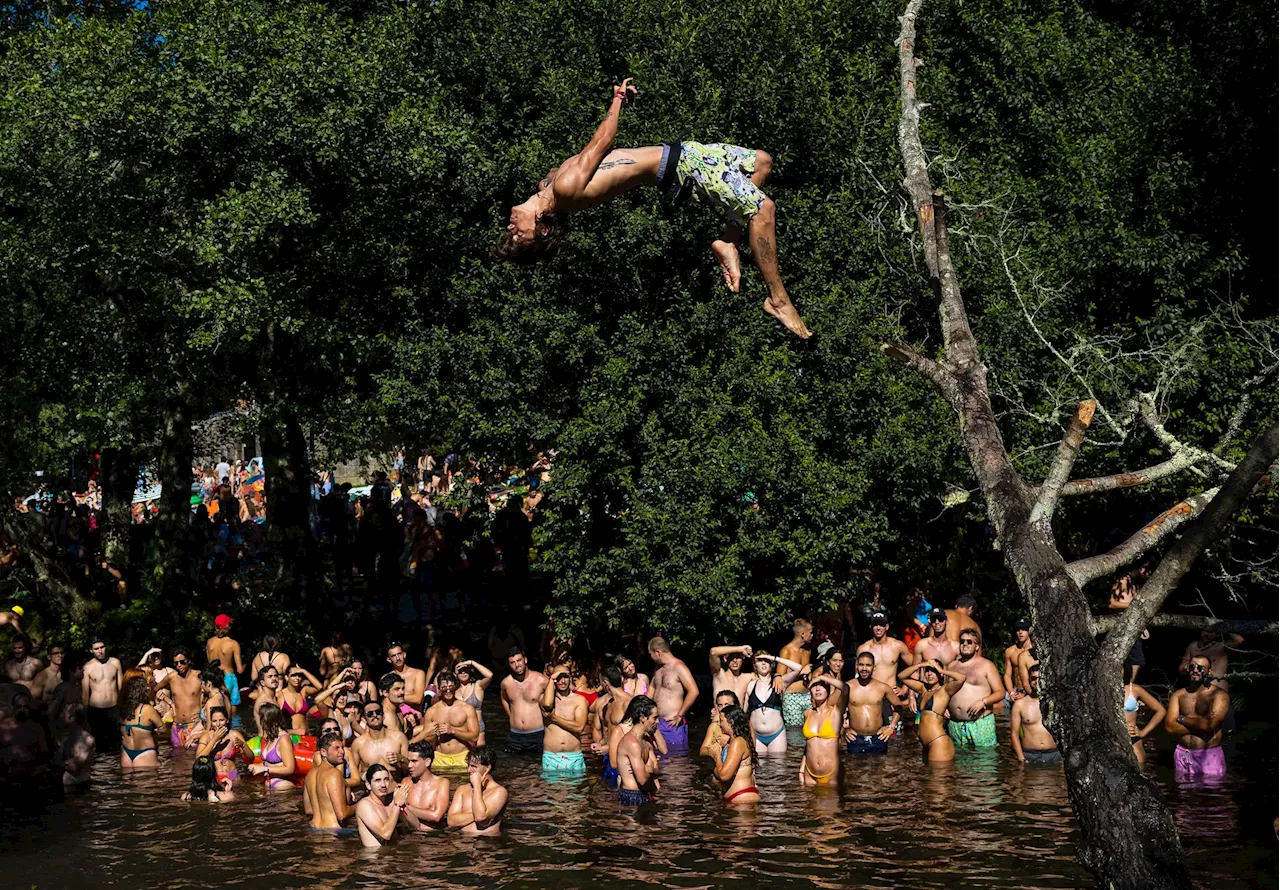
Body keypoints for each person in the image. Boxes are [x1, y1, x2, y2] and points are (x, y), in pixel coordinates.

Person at [497, 78, 812, 340]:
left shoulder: (550, 184)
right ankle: (778, 299)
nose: (511, 229)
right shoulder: (564, 190)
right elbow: (601, 141)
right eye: (518, 237)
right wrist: (618, 98)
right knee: (763, 209)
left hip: (685, 154)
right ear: (543, 228)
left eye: (510, 234)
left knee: (761, 162)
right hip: (685, 168)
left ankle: (729, 240)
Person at [1165, 655, 1230, 779]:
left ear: (1209, 672)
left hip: (1209, 755)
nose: (1195, 670)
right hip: (1182, 755)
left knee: (1210, 795)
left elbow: (1211, 725)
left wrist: (1181, 718)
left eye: (1200, 668)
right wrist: (1202, 725)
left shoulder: (1219, 696)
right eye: (1192, 666)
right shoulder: (1178, 695)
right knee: (1183, 796)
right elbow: (1169, 727)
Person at [946, 629, 1005, 749]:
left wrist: (983, 701)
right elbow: (945, 691)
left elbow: (1001, 693)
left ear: (977, 647)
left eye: (969, 642)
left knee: (984, 761)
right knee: (958, 763)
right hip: (955, 724)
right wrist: (943, 707)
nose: (965, 644)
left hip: (980, 723)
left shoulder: (986, 665)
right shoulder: (951, 666)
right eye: (962, 641)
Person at [898, 659, 963, 762]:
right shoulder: (923, 689)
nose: (929, 674)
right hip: (925, 744)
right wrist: (920, 665)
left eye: (933, 671)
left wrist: (941, 670)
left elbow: (961, 678)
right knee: (927, 776)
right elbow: (901, 676)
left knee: (938, 776)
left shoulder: (944, 690)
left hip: (938, 742)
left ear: (940, 674)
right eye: (927, 671)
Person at [1180, 629, 1244, 733]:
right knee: (1197, 731)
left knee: (1227, 733)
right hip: (1198, 697)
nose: (1207, 634)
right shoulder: (1193, 646)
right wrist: (1188, 667)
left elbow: (1240, 640)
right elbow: (1181, 668)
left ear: (1218, 633)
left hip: (1220, 697)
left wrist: (1223, 627)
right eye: (1205, 630)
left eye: (1211, 631)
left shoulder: (1222, 646)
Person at [745, 651, 803, 755]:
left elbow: (798, 668)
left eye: (766, 661)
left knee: (777, 768)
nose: (763, 663)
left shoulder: (780, 682)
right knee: (759, 769)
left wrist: (775, 658)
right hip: (756, 735)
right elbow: (744, 712)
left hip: (777, 734)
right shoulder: (750, 685)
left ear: (771, 664)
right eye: (760, 660)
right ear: (755, 665)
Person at [648, 637, 698, 754]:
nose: (651, 658)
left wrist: (680, 714)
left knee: (675, 761)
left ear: (658, 652)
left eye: (651, 654)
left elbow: (694, 691)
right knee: (659, 759)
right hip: (656, 723)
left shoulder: (679, 667)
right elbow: (651, 690)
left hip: (672, 723)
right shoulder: (658, 669)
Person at [844, 652, 902, 755]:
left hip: (878, 737)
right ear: (856, 666)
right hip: (855, 739)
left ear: (874, 667)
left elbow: (899, 706)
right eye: (861, 665)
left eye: (868, 665)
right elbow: (835, 710)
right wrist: (843, 729)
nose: (864, 668)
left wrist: (891, 727)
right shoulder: (848, 687)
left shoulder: (882, 687)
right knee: (854, 769)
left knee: (880, 769)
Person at [422, 670, 480, 770]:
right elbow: (426, 740)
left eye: (451, 687)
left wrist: (453, 730)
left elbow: (474, 737)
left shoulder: (467, 708)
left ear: (456, 687)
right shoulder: (431, 711)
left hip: (462, 757)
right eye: (444, 688)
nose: (448, 690)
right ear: (439, 688)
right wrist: (433, 733)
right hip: (439, 758)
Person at [539, 663, 588, 775]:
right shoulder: (543, 698)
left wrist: (554, 718)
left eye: (565, 677)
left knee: (574, 792)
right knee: (553, 792)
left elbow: (579, 727)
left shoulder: (580, 700)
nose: (562, 681)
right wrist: (551, 679)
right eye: (558, 677)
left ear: (570, 678)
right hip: (551, 756)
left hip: (574, 756)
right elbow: (547, 705)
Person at [448, 746, 508, 835]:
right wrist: (476, 814)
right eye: (468, 765)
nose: (469, 770)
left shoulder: (500, 792)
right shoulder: (462, 789)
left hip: (486, 843)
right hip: (462, 842)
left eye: (473, 766)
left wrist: (477, 786)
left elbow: (480, 817)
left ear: (488, 768)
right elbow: (451, 821)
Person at [303, 730, 355, 834]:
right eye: (336, 748)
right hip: (334, 832)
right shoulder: (334, 774)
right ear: (323, 752)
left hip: (314, 830)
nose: (342, 752)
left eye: (342, 748)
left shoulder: (310, 774)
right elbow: (341, 814)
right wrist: (360, 805)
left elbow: (308, 810)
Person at [500, 646, 549, 755]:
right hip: (515, 735)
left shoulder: (540, 680)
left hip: (537, 734)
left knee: (536, 768)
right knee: (514, 769)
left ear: (525, 660)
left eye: (519, 660)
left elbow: (554, 698)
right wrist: (511, 717)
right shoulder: (506, 683)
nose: (517, 665)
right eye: (512, 662)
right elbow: (504, 699)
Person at [706, 705, 759, 805]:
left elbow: (724, 775)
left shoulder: (738, 742)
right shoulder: (734, 741)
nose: (719, 724)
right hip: (738, 799)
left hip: (742, 799)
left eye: (721, 720)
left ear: (731, 722)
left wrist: (716, 756)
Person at [356, 763, 418, 847]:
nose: (383, 785)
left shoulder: (391, 802)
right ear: (368, 785)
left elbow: (415, 825)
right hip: (375, 857)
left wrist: (402, 804)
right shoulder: (365, 805)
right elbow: (385, 834)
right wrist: (396, 805)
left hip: (393, 854)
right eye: (377, 780)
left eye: (386, 779)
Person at [616, 695, 661, 805]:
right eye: (654, 718)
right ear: (642, 718)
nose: (658, 721)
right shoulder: (632, 743)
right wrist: (650, 770)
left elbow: (656, 771)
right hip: (632, 796)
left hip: (646, 795)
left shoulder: (646, 741)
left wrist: (649, 769)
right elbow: (642, 780)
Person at [1010, 663, 1059, 765]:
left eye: (1040, 678)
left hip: (1055, 754)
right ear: (1029, 680)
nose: (1037, 681)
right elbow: (1014, 734)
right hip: (1030, 754)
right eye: (1033, 678)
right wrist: (1021, 758)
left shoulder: (1057, 702)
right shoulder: (1020, 705)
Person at [350, 696, 411, 778]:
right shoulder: (358, 743)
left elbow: (411, 768)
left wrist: (402, 759)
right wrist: (369, 776)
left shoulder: (399, 737)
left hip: (396, 787)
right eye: (370, 714)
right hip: (371, 789)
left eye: (378, 712)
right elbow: (354, 776)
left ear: (383, 716)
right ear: (364, 719)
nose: (375, 715)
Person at [799, 675, 844, 786]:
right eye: (814, 686)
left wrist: (823, 678)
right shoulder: (807, 713)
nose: (818, 689)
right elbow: (808, 745)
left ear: (828, 691)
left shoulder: (835, 713)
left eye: (822, 686)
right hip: (809, 773)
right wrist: (801, 769)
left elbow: (846, 688)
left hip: (831, 773)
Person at [81, 638, 122, 754]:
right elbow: (85, 693)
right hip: (96, 710)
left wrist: (123, 708)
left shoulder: (115, 663)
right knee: (99, 747)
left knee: (116, 745)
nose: (100, 651)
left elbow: (122, 688)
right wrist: (84, 716)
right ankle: (101, 770)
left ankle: (115, 770)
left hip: (114, 708)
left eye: (102, 647)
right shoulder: (88, 667)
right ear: (91, 650)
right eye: (96, 649)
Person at [156, 647, 202, 748]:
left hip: (194, 724)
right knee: (177, 758)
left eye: (182, 662)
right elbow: (154, 689)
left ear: (189, 661)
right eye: (176, 663)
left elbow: (213, 694)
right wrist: (168, 701)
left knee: (193, 757)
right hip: (176, 725)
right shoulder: (171, 677)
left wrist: (203, 715)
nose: (179, 665)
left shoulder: (199, 676)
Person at [192, 706, 251, 784]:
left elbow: (251, 757)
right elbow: (198, 760)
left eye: (221, 720)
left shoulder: (234, 735)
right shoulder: (206, 737)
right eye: (214, 721)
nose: (218, 724)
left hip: (233, 775)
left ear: (227, 720)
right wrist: (214, 740)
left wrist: (243, 745)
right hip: (215, 777)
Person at [857, 611, 911, 694]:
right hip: (871, 694)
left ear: (887, 627)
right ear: (871, 627)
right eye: (875, 625)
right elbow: (857, 675)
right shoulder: (863, 649)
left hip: (891, 694)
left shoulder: (897, 646)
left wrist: (904, 689)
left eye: (881, 625)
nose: (878, 628)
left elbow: (915, 667)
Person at [401, 740, 451, 830]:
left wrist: (405, 807)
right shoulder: (405, 782)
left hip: (434, 838)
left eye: (414, 761)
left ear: (427, 762)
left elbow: (436, 816)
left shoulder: (442, 783)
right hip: (411, 836)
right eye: (409, 761)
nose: (409, 765)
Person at [1122, 664, 1165, 767]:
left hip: (1133, 740)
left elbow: (1160, 710)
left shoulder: (1135, 689)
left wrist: (1143, 732)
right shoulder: (1099, 690)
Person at [248, 701, 297, 791]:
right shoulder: (271, 738)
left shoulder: (283, 739)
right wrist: (257, 766)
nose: (258, 722)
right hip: (270, 785)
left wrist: (264, 769)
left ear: (267, 719)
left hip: (282, 785)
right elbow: (271, 762)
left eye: (260, 718)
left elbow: (290, 768)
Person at [117, 675, 162, 769]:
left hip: (126, 753)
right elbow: (163, 729)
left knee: (127, 782)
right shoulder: (147, 709)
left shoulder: (123, 710)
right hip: (145, 752)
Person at [205, 614, 244, 715]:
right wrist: (245, 665)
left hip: (213, 677)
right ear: (226, 626)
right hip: (228, 677)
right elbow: (240, 670)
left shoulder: (209, 642)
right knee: (232, 711)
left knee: (215, 709)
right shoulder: (233, 644)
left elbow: (210, 663)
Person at [455, 658, 494, 747]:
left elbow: (489, 675)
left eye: (466, 669)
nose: (463, 673)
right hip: (460, 729)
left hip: (478, 728)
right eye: (460, 670)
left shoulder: (477, 686)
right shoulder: (452, 690)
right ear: (456, 673)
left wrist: (472, 662)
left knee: (479, 757)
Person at [57, 702, 95, 787]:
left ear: (72, 717)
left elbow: (75, 766)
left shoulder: (87, 739)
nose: (61, 716)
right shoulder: (66, 737)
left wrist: (61, 764)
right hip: (67, 787)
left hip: (81, 787)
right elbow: (57, 759)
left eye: (64, 713)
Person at [386, 641, 429, 711]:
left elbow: (418, 699)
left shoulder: (418, 673)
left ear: (404, 655)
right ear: (389, 660)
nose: (398, 658)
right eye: (393, 656)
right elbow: (386, 701)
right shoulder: (386, 677)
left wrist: (393, 696)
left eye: (399, 654)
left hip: (416, 717)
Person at [281, 666, 323, 735]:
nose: (297, 678)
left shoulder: (303, 692)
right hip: (290, 737)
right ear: (286, 677)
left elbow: (319, 687)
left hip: (306, 735)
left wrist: (304, 671)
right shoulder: (280, 695)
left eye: (299, 675)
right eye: (293, 675)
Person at [1003, 619, 1034, 697]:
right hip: (1016, 691)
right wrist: (1011, 693)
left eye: (1024, 629)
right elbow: (1007, 675)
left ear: (1029, 631)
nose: (1020, 632)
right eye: (1018, 629)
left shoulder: (1034, 652)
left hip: (1031, 693)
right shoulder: (1010, 651)